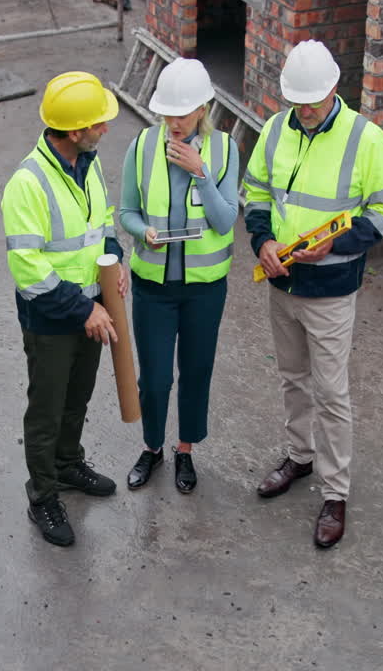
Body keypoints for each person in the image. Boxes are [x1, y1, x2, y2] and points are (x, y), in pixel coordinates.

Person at [243, 40, 383, 548]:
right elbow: (257, 194)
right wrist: (262, 241)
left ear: (335, 89)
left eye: (311, 101)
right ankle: (299, 457)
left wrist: (338, 242)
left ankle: (335, 494)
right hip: (282, 283)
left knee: (332, 394)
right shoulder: (274, 129)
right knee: (292, 378)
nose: (304, 111)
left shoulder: (366, 140)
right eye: (297, 102)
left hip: (331, 290)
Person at [0, 71, 129, 547]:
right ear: (74, 130)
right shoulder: (27, 184)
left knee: (78, 396)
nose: (105, 129)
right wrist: (84, 310)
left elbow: (102, 221)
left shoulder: (88, 162)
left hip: (89, 304)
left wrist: (115, 258)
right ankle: (43, 495)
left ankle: (69, 464)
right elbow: (28, 270)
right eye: (99, 122)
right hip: (52, 317)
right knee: (47, 408)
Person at [118, 58, 239, 494]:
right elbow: (125, 212)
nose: (173, 122)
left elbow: (225, 222)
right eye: (167, 112)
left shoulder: (224, 149)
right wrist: (141, 231)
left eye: (182, 113)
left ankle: (184, 451)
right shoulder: (142, 146)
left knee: (196, 370)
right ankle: (152, 448)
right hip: (153, 287)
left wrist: (201, 172)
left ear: (203, 109)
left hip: (205, 290)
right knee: (153, 377)